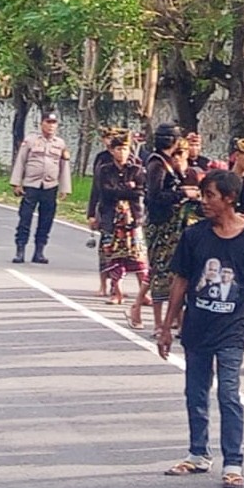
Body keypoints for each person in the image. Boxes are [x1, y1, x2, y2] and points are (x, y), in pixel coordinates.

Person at [158, 169, 244, 488]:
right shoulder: (194, 235)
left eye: (210, 196)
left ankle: (233, 462)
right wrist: (166, 326)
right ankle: (198, 453)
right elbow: (180, 281)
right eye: (202, 195)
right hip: (197, 327)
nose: (203, 202)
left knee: (228, 392)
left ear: (230, 198)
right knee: (195, 391)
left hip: (232, 329)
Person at [131, 124, 197, 332]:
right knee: (160, 271)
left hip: (172, 224)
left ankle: (174, 319)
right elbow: (155, 196)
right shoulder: (157, 164)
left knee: (172, 271)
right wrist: (182, 194)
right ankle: (158, 322)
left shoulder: (168, 162)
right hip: (160, 224)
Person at [9, 110, 72, 264]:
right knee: (25, 218)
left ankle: (39, 252)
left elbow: (64, 166)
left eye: (54, 123)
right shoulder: (30, 141)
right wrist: (17, 183)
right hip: (31, 185)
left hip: (50, 186)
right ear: (41, 124)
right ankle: (20, 251)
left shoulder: (60, 143)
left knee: (46, 220)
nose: (51, 126)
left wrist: (65, 188)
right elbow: (20, 161)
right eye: (48, 122)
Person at [95, 135, 149, 306]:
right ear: (112, 151)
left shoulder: (136, 169)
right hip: (112, 218)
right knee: (113, 256)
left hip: (133, 217)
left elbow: (140, 192)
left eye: (125, 149)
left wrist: (123, 190)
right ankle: (116, 292)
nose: (122, 152)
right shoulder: (105, 170)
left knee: (138, 256)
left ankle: (143, 294)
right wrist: (127, 188)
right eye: (118, 149)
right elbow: (106, 192)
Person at [88, 126, 124, 295]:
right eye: (107, 137)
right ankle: (103, 284)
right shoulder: (102, 159)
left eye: (113, 137)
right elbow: (96, 187)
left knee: (124, 251)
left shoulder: (130, 160)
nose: (110, 140)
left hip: (125, 212)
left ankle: (117, 285)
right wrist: (91, 213)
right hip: (106, 208)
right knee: (105, 248)